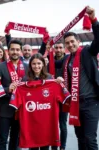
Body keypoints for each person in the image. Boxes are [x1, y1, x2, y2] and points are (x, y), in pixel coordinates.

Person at [54, 6, 99, 150]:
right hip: (75, 104)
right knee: (80, 137)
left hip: (90, 102)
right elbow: (49, 64)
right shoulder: (67, 59)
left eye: (72, 41)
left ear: (78, 41)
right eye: (67, 43)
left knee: (90, 138)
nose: (70, 44)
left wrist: (93, 20)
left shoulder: (87, 52)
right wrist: (46, 47)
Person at [9, 53, 70, 150]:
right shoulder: (25, 80)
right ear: (30, 65)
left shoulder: (50, 79)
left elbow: (64, 97)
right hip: (31, 123)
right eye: (34, 64)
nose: (36, 66)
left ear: (43, 64)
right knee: (33, 148)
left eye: (39, 63)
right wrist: (14, 87)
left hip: (46, 123)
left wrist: (60, 82)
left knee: (45, 147)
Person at [0, 40, 28, 150]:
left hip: (20, 110)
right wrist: (7, 89)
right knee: (3, 140)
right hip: (4, 109)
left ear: (21, 51)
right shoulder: (0, 67)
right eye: (12, 49)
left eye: (17, 50)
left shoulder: (27, 67)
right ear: (8, 51)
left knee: (15, 139)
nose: (15, 52)